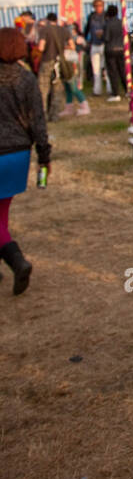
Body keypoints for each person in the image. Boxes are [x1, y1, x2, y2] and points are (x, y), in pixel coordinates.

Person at [0, 26, 51, 294]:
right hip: (19, 153)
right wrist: (44, 155)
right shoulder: (27, 79)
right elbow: (38, 121)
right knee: (1, 212)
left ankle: (16, 261)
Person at [35, 11, 64, 122]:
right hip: (60, 63)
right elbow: (71, 44)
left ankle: (43, 115)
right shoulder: (63, 30)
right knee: (57, 89)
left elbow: (41, 47)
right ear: (56, 20)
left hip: (47, 61)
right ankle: (55, 115)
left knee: (43, 88)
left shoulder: (44, 30)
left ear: (47, 20)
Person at [57, 18, 90, 117]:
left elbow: (77, 46)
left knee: (73, 86)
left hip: (71, 63)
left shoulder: (74, 38)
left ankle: (85, 106)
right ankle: (69, 107)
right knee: (67, 87)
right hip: (65, 62)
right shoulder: (65, 38)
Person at [83, 0, 107, 95]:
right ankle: (97, 90)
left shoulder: (106, 16)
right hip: (94, 43)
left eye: (100, 5)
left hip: (104, 43)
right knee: (96, 69)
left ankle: (110, 88)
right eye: (96, 6)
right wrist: (86, 40)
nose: (98, 8)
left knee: (107, 68)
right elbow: (87, 29)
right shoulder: (91, 17)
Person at [103, 4, 127, 100]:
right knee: (123, 71)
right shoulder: (122, 22)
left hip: (111, 49)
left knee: (113, 72)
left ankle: (115, 93)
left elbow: (106, 38)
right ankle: (127, 90)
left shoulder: (108, 24)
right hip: (121, 49)